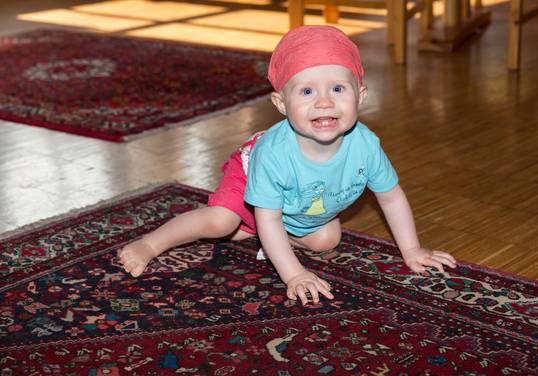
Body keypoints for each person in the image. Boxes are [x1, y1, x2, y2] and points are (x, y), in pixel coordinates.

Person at [119, 25, 457, 306]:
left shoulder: (366, 145)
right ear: (281, 104)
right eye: (307, 91)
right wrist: (294, 274)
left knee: (326, 240)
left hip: (298, 203)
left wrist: (411, 250)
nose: (324, 101)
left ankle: (259, 236)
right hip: (251, 176)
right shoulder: (274, 153)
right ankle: (152, 243)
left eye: (338, 88)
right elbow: (268, 214)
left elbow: (391, 196)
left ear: (361, 96)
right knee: (221, 221)